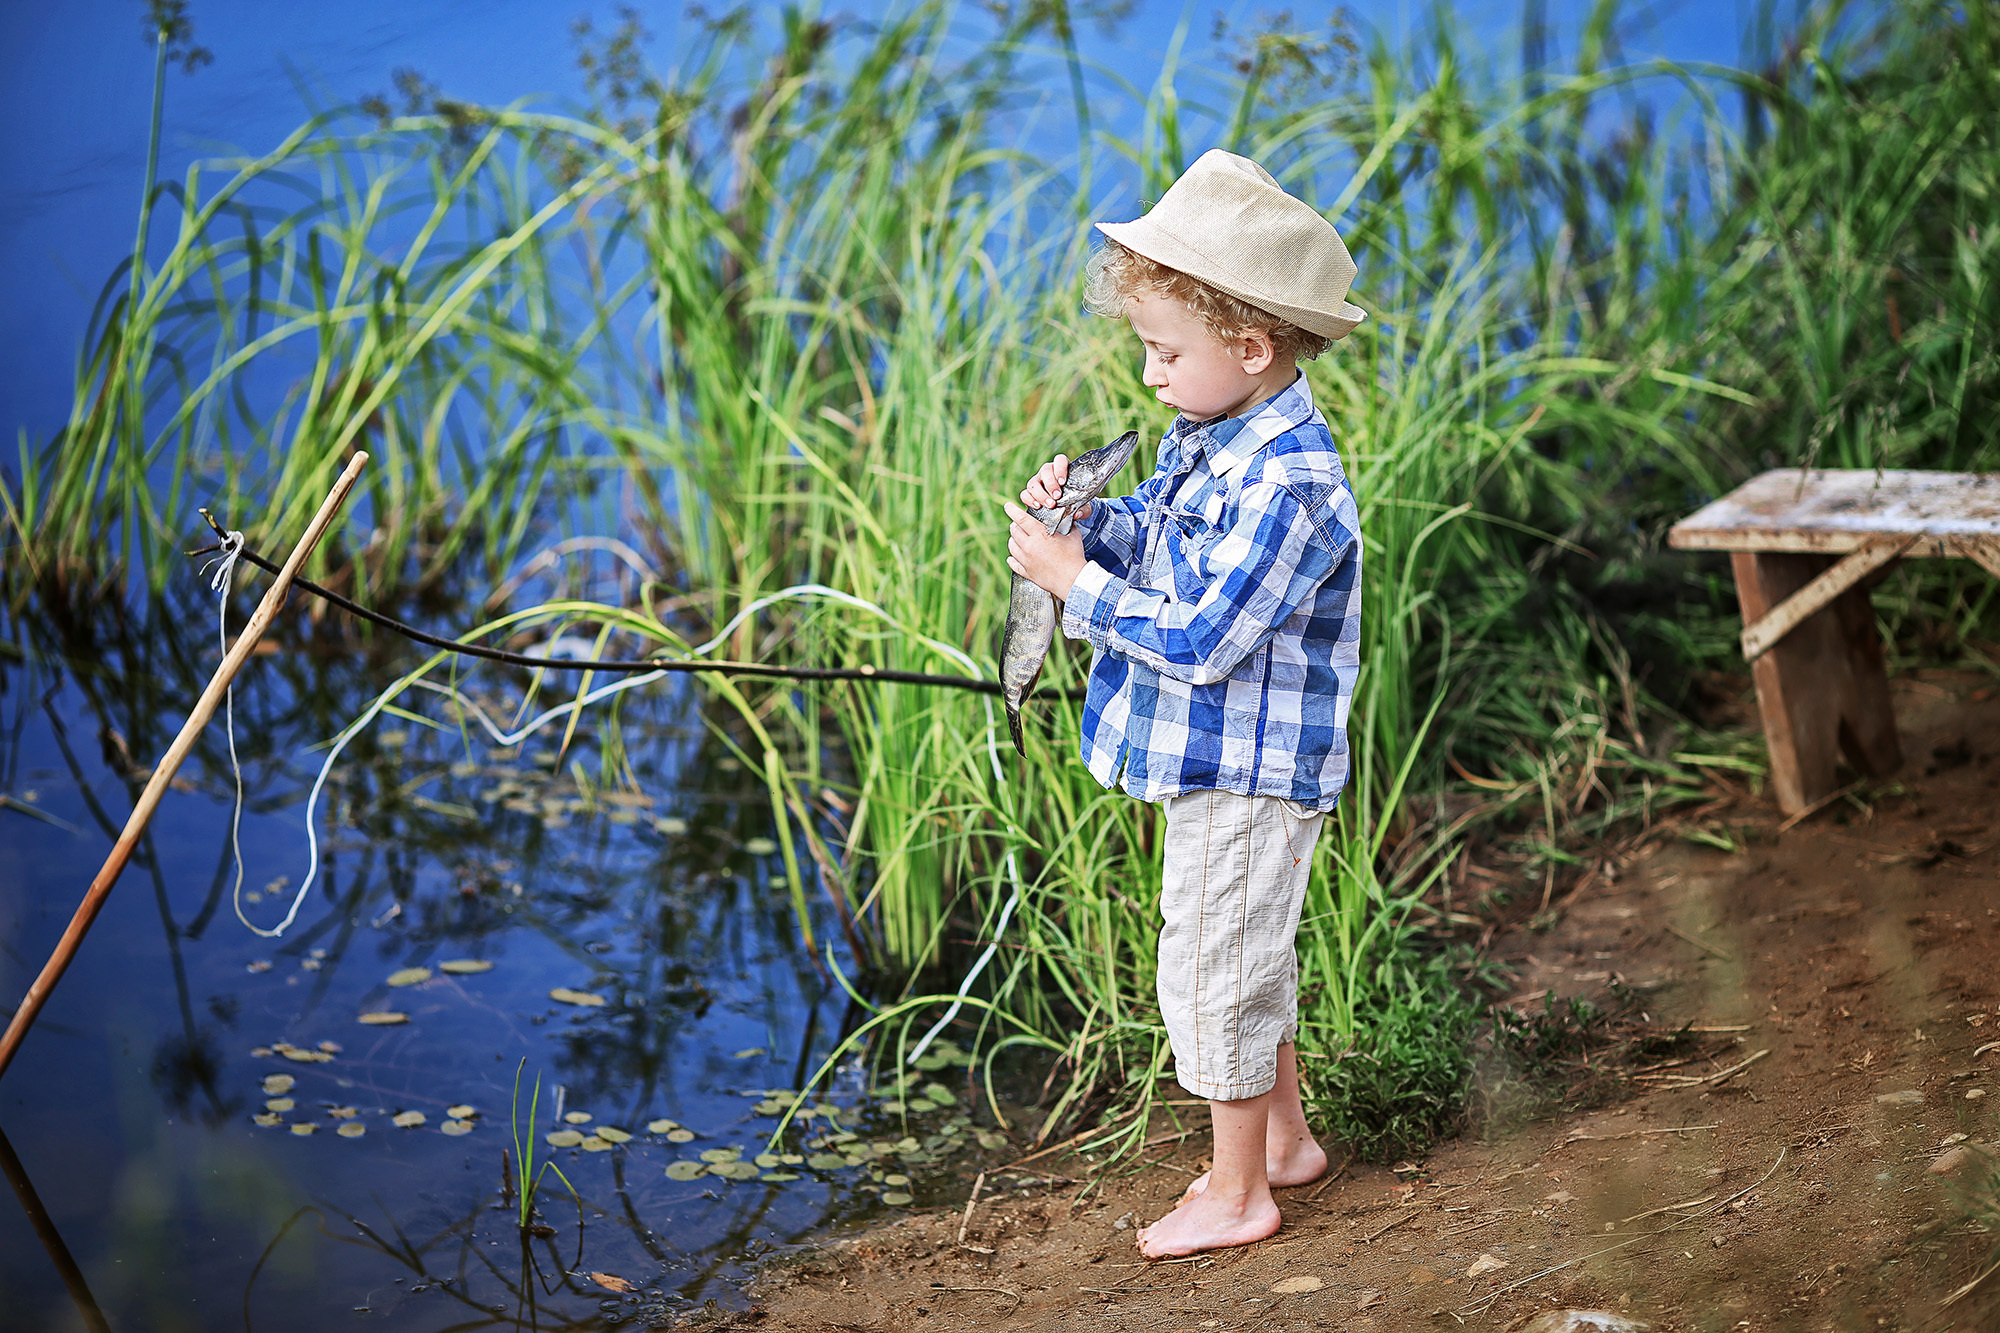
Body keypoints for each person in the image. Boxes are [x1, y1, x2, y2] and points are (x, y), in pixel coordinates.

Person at [1003, 148, 1366, 1259]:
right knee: (1246, 953)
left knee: (1211, 967)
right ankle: (1285, 1144)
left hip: (1248, 771)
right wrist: (1084, 530)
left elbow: (1204, 638)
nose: (1151, 374)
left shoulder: (1290, 486)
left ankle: (1234, 1191)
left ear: (1250, 348)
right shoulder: (1213, 435)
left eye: (1165, 352)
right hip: (1214, 762)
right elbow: (1163, 536)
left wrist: (1075, 590)